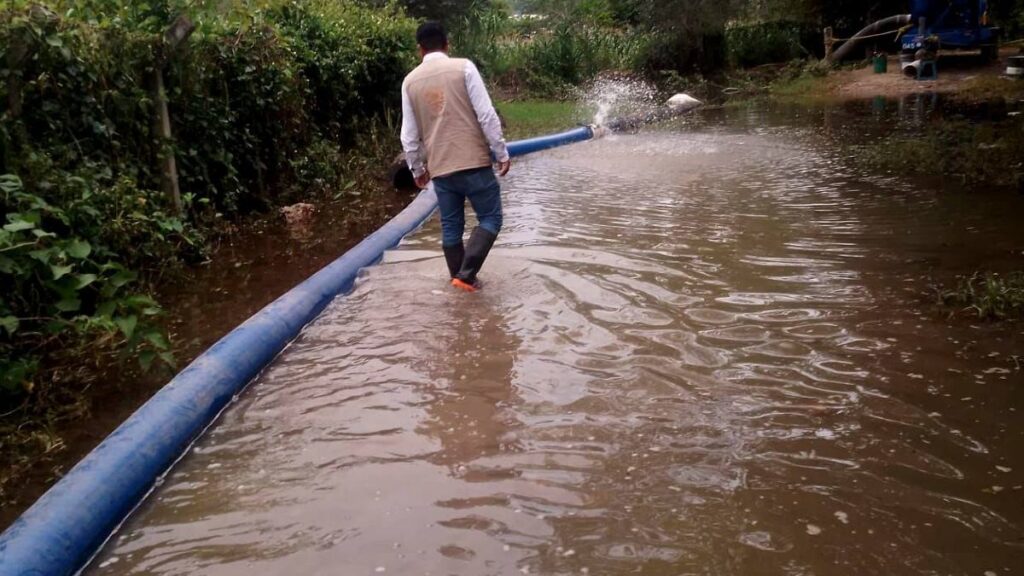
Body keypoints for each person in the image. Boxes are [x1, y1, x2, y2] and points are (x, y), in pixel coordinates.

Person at [400, 21, 511, 292]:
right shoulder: (464, 67)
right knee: (491, 218)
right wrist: (501, 151)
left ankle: (460, 281)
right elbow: (486, 115)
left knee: (451, 227)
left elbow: (408, 136)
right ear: (447, 44)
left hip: (440, 169)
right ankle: (466, 276)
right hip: (473, 162)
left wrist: (417, 170)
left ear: (420, 49)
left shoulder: (409, 82)